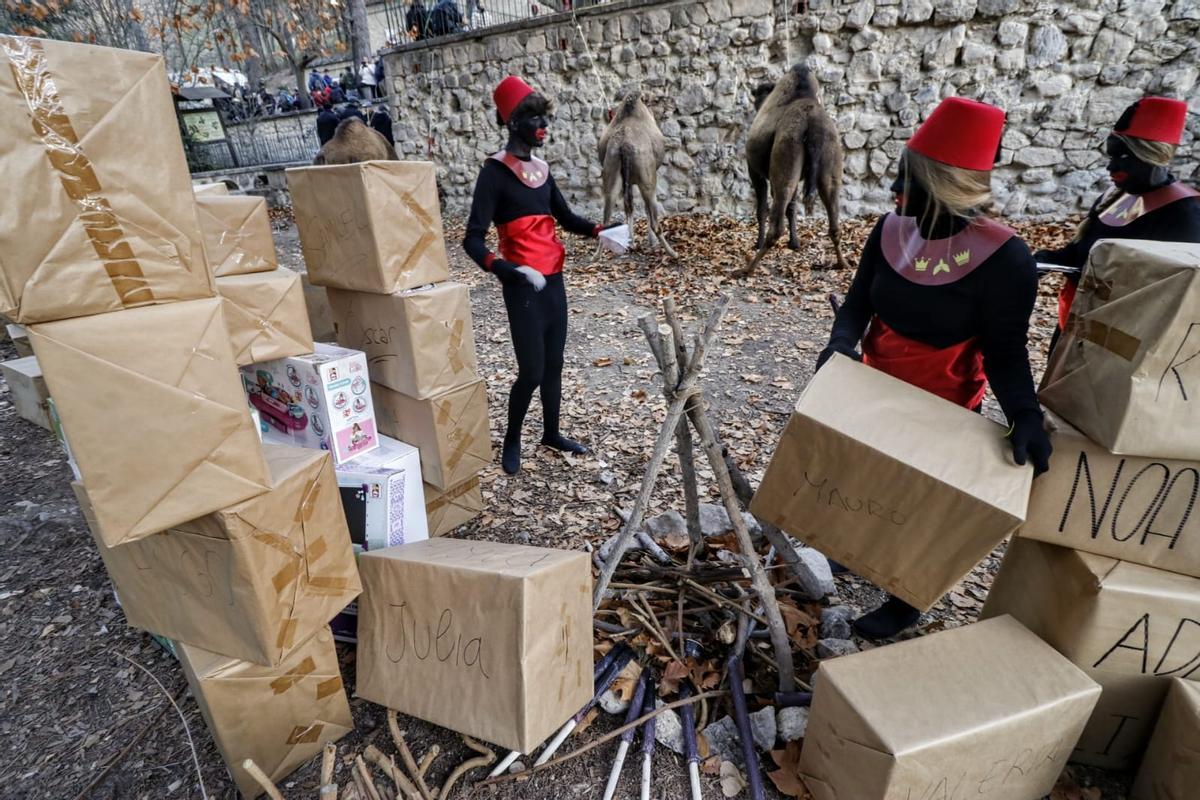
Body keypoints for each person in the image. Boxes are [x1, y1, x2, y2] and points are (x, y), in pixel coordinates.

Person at [816, 96, 1052, 640]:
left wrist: (1024, 414)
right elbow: (857, 304)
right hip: (875, 384)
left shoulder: (1006, 260)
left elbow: (1005, 350)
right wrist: (840, 344)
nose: (895, 189)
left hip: (943, 399)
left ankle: (907, 594)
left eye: (907, 176)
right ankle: (854, 548)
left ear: (938, 181)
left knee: (919, 500)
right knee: (867, 474)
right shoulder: (891, 230)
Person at [463, 76, 612, 475]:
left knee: (555, 363)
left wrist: (601, 231)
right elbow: (473, 240)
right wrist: (507, 270)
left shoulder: (543, 170)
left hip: (554, 283)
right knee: (530, 369)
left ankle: (551, 433)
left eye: (545, 115)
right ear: (512, 122)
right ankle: (512, 439)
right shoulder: (493, 173)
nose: (543, 124)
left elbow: (565, 218)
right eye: (534, 116)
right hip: (522, 287)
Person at [1035, 97, 1200, 345]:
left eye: (1123, 157)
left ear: (1152, 156)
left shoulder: (1184, 215)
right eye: (1110, 156)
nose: (1110, 167)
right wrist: (1039, 262)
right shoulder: (1114, 199)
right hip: (1075, 326)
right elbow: (1080, 255)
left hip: (1123, 345)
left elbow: (1178, 297)